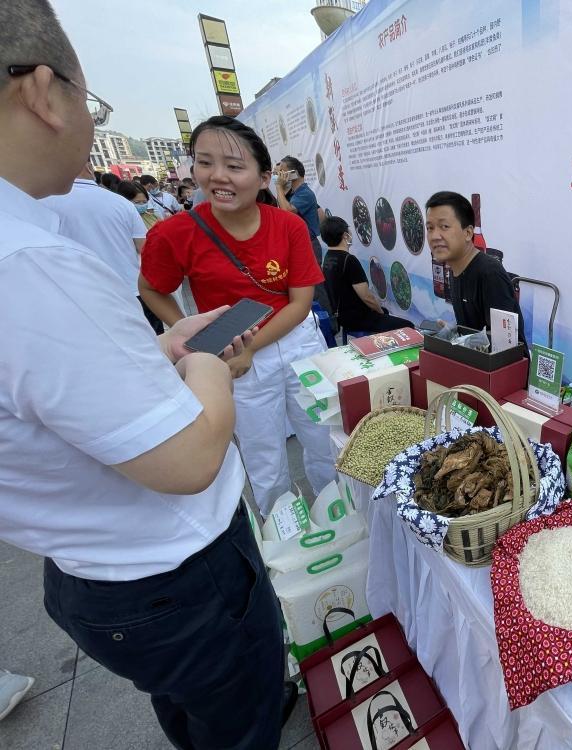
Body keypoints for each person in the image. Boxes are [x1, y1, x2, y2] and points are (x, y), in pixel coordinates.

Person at [0, 2, 293, 747]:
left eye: (237, 164)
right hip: (173, 578)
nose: (220, 177)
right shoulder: (31, 267)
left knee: (197, 709)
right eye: (90, 102)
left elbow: (58, 395)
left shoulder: (30, 253)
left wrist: (165, 354)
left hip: (103, 574)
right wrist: (208, 367)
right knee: (238, 717)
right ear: (41, 91)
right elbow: (192, 459)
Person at [139, 115, 337, 515]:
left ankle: (341, 524)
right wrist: (192, 335)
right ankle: (285, 540)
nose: (218, 176)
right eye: (205, 162)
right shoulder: (175, 232)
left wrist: (252, 347)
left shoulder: (289, 226)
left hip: (299, 346)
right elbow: (150, 289)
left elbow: (299, 303)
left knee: (325, 443)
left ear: (264, 177)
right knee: (265, 461)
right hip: (233, 360)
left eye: (234, 166)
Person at [42, 161, 160, 333]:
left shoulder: (45, 203)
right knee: (155, 343)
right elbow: (145, 249)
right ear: (89, 166)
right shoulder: (121, 203)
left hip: (81, 298)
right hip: (131, 288)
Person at [424, 190, 526, 342]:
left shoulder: (489, 273)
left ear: (468, 233)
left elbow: (507, 343)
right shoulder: (454, 269)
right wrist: (456, 335)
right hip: (471, 361)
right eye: (430, 228)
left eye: (444, 226)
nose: (434, 236)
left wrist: (463, 342)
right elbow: (473, 330)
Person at [321, 216, 413, 333]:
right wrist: (380, 312)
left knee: (385, 312)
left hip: (341, 317)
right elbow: (367, 297)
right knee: (408, 326)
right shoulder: (349, 260)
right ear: (345, 235)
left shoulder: (328, 257)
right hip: (357, 318)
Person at [274, 155, 322, 262]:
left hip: (309, 246)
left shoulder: (305, 193)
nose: (278, 177)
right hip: (297, 245)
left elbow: (287, 211)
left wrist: (278, 186)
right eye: (277, 174)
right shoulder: (292, 193)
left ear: (293, 173)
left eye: (281, 172)